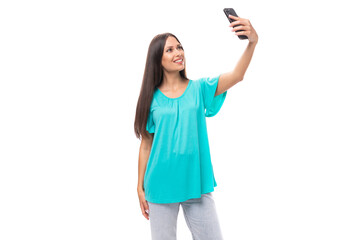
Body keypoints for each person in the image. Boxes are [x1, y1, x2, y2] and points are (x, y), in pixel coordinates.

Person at [134, 14, 258, 240]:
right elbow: (146, 143)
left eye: (179, 47)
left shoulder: (200, 89)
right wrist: (139, 187)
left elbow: (237, 75)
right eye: (170, 50)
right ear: (157, 59)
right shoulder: (150, 100)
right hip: (160, 185)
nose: (178, 52)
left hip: (195, 183)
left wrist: (252, 42)